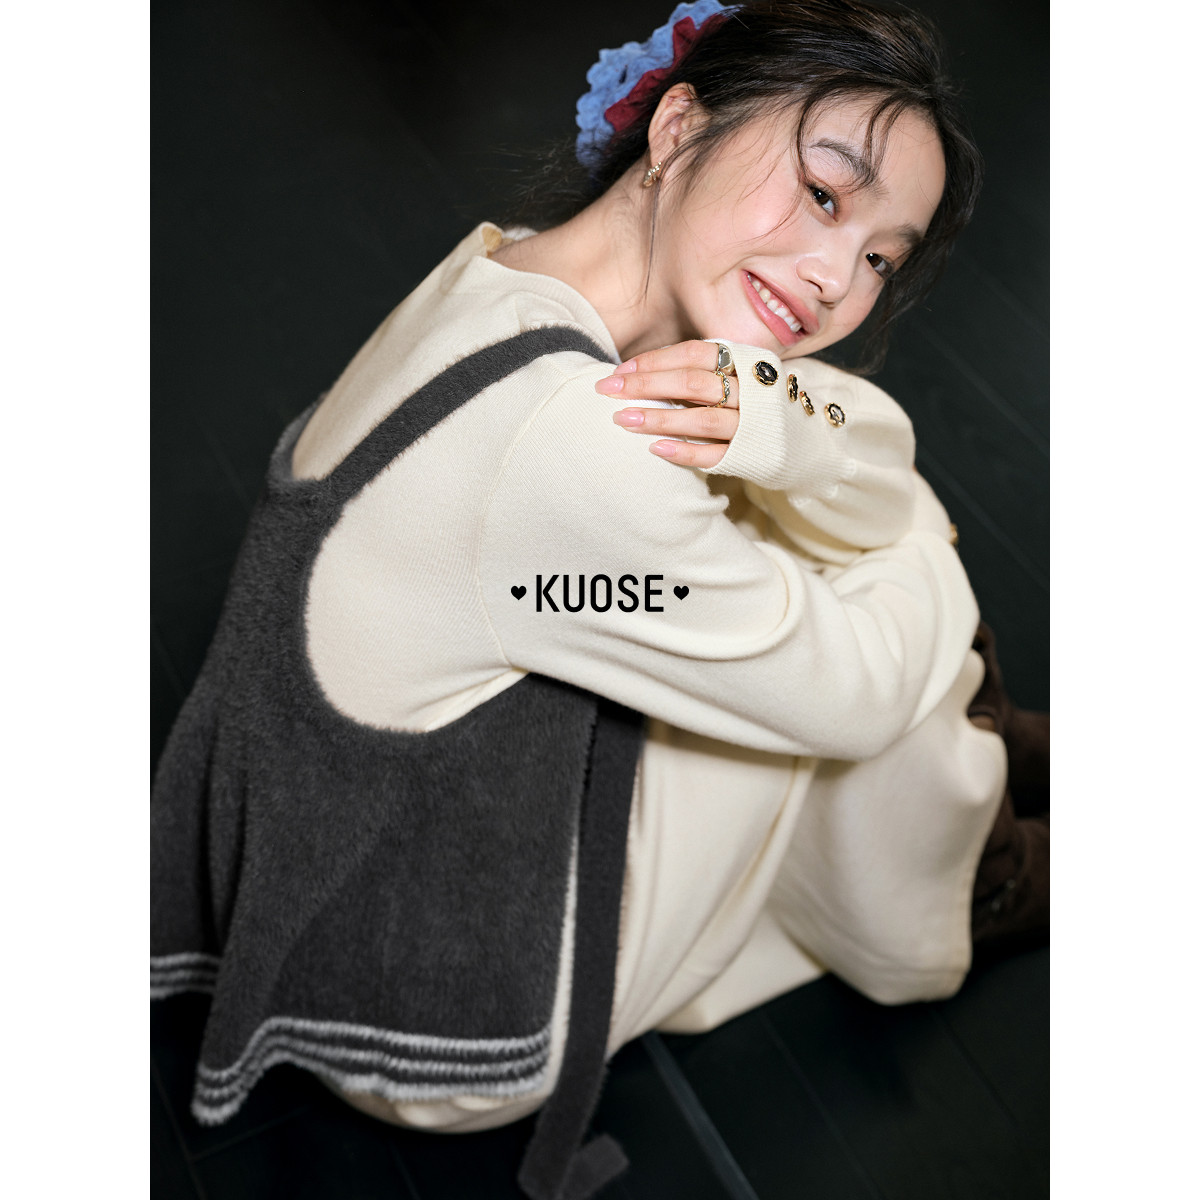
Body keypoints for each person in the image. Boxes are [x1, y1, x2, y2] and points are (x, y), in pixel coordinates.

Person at [150, 2, 1048, 1197]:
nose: (839, 278)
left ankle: (989, 746)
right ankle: (983, 867)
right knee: (882, 588)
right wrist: (916, 541)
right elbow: (861, 689)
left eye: (883, 257)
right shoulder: (581, 445)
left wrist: (796, 431)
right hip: (446, 1003)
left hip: (361, 889)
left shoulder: (510, 261)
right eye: (826, 193)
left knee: (799, 517)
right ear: (677, 128)